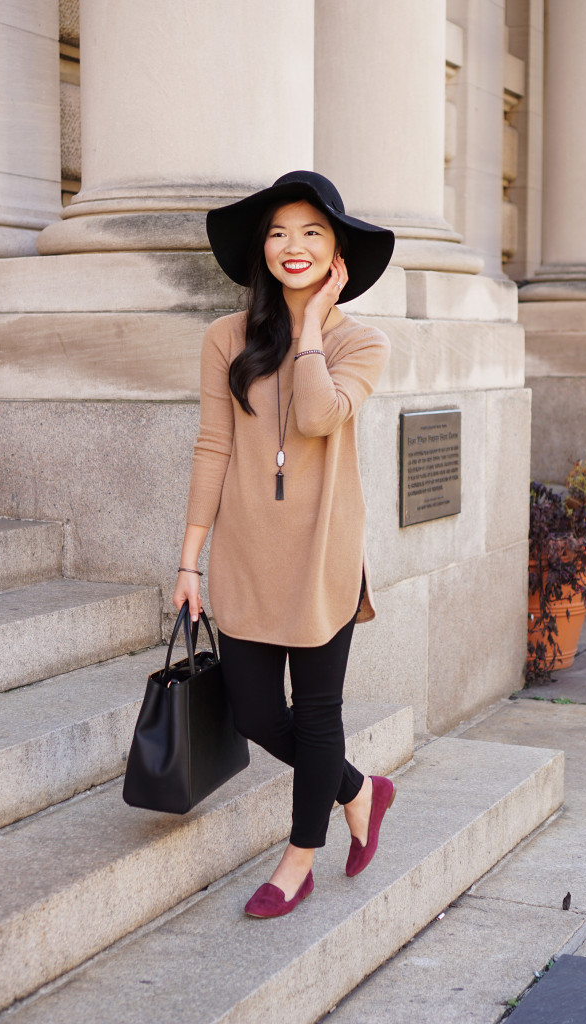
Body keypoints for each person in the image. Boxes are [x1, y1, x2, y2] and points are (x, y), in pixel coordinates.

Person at [173, 170, 396, 918]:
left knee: (316, 715)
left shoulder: (359, 342)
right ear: (259, 248)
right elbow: (213, 446)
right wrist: (188, 559)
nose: (290, 247)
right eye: (276, 232)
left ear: (335, 252)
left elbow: (316, 416)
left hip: (323, 556)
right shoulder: (223, 338)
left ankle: (297, 860)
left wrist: (308, 328)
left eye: (310, 233)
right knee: (254, 716)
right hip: (243, 554)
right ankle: (360, 789)